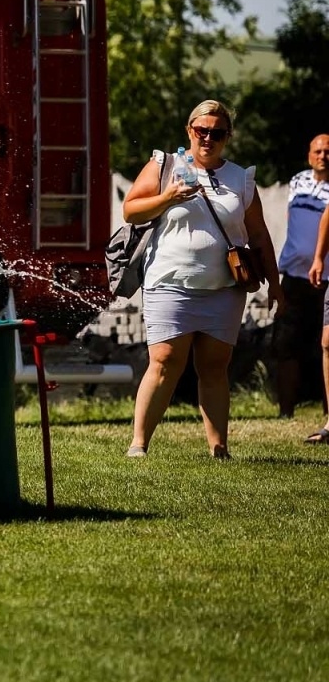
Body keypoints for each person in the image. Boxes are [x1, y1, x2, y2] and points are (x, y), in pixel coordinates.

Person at [124, 100, 280, 459]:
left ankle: (219, 448)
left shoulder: (240, 178)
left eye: (217, 133)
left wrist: (275, 284)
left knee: (214, 368)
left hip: (224, 288)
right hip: (169, 281)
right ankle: (139, 444)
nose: (208, 138)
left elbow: (258, 235)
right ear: (189, 131)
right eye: (202, 131)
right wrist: (168, 197)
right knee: (164, 360)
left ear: (228, 137)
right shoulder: (165, 165)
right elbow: (131, 210)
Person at [271, 134, 329, 419]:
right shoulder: (297, 182)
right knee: (286, 343)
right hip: (294, 276)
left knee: (327, 345)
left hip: (326, 278)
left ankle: (328, 413)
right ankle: (285, 411)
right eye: (317, 151)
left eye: (328, 151)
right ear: (309, 155)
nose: (323, 156)